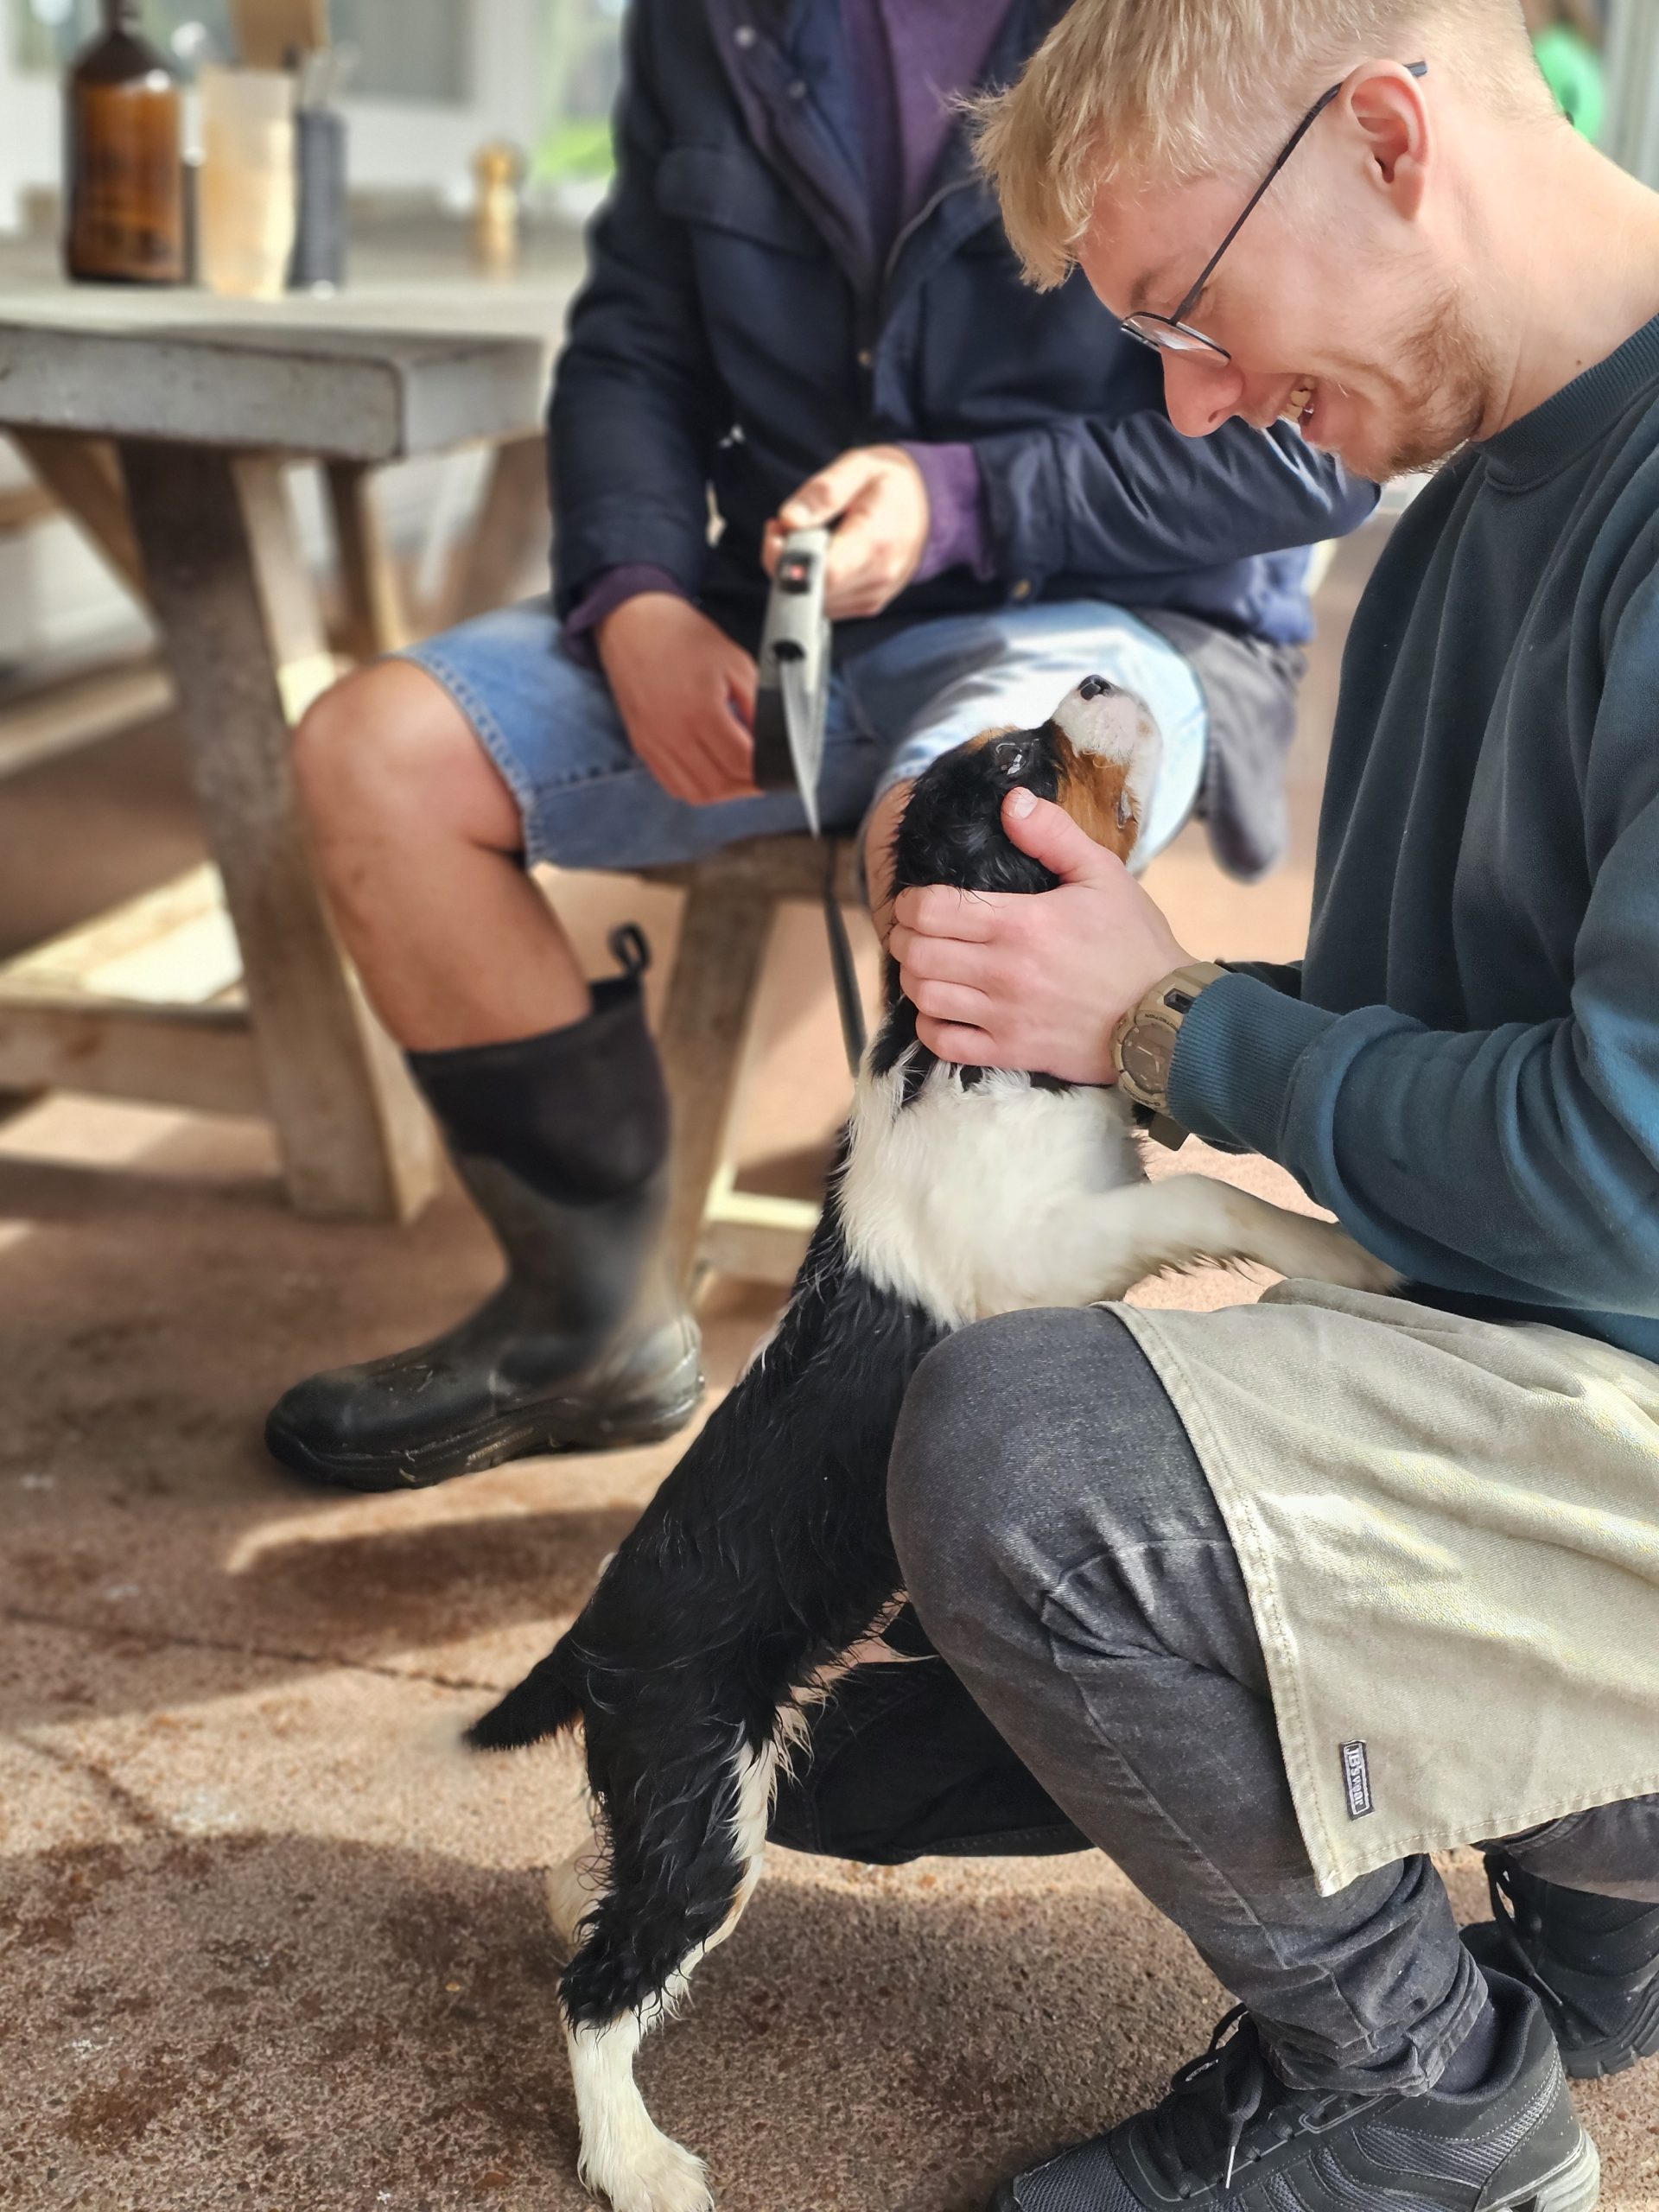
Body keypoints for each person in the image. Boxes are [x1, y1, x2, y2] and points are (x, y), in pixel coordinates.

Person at [765, 3, 1659, 2206]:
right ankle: (1611, 1923)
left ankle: (1424, 2102)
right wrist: (1127, 1004)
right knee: (857, 1718)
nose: (1192, 399)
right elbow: (1436, 1042)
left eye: (1187, 309)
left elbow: (1626, 1172)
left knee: (1020, 1465)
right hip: (1579, 1369)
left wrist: (1174, 1025)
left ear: (1386, 140)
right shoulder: (1461, 522)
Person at [264, 0, 1372, 1493]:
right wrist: (637, 595)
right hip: (775, 605)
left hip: (1109, 610)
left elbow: (1311, 452)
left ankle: (962, 1429)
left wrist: (964, 498)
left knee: (962, 863)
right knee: (372, 757)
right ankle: (587, 1320)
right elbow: (635, 341)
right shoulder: (707, 21)